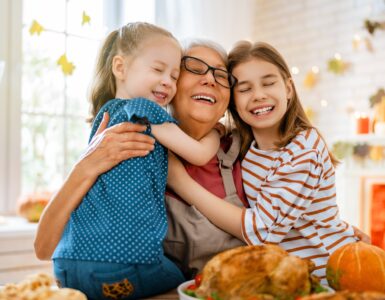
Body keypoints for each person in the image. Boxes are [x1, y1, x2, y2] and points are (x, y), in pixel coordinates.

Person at [34, 37, 246, 295]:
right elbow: (43, 248)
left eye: (221, 75)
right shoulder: (119, 142)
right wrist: (85, 168)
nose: (210, 79)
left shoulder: (246, 154)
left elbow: (263, 232)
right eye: (195, 68)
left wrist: (180, 178)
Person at [166, 41, 358, 284]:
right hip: (280, 277)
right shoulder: (243, 144)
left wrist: (180, 181)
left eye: (268, 83)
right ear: (233, 101)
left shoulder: (303, 149)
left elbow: (262, 231)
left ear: (288, 88)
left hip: (324, 278)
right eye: (245, 89)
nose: (258, 95)